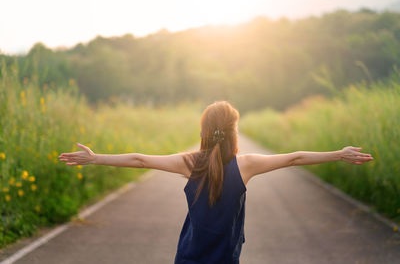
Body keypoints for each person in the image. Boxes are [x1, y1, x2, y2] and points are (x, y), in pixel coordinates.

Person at [58, 100, 373, 264]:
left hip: (188, 258)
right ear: (234, 132)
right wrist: (338, 154)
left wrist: (96, 157)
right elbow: (294, 158)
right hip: (225, 259)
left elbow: (140, 159)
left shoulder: (188, 163)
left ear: (203, 131)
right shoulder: (245, 165)